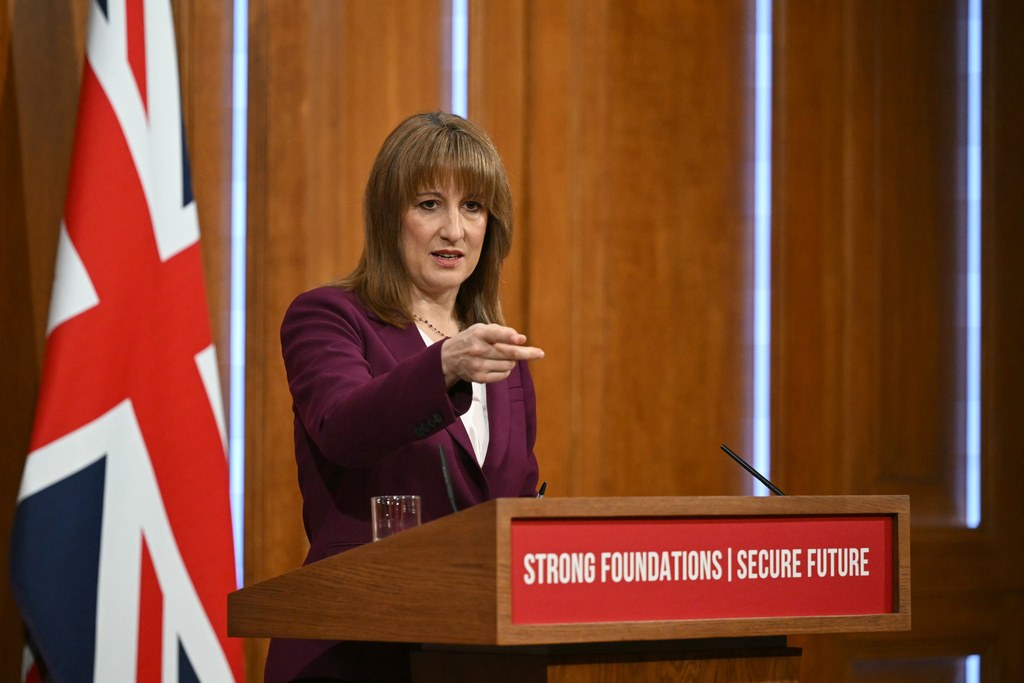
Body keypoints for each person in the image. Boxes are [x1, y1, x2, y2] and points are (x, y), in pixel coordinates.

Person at [264, 112, 545, 682]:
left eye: (472, 207)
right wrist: (442, 365)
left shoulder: (498, 355)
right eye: (428, 204)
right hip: (354, 654)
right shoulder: (330, 317)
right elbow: (344, 427)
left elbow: (511, 498)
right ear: (388, 216)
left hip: (478, 658)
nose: (454, 230)